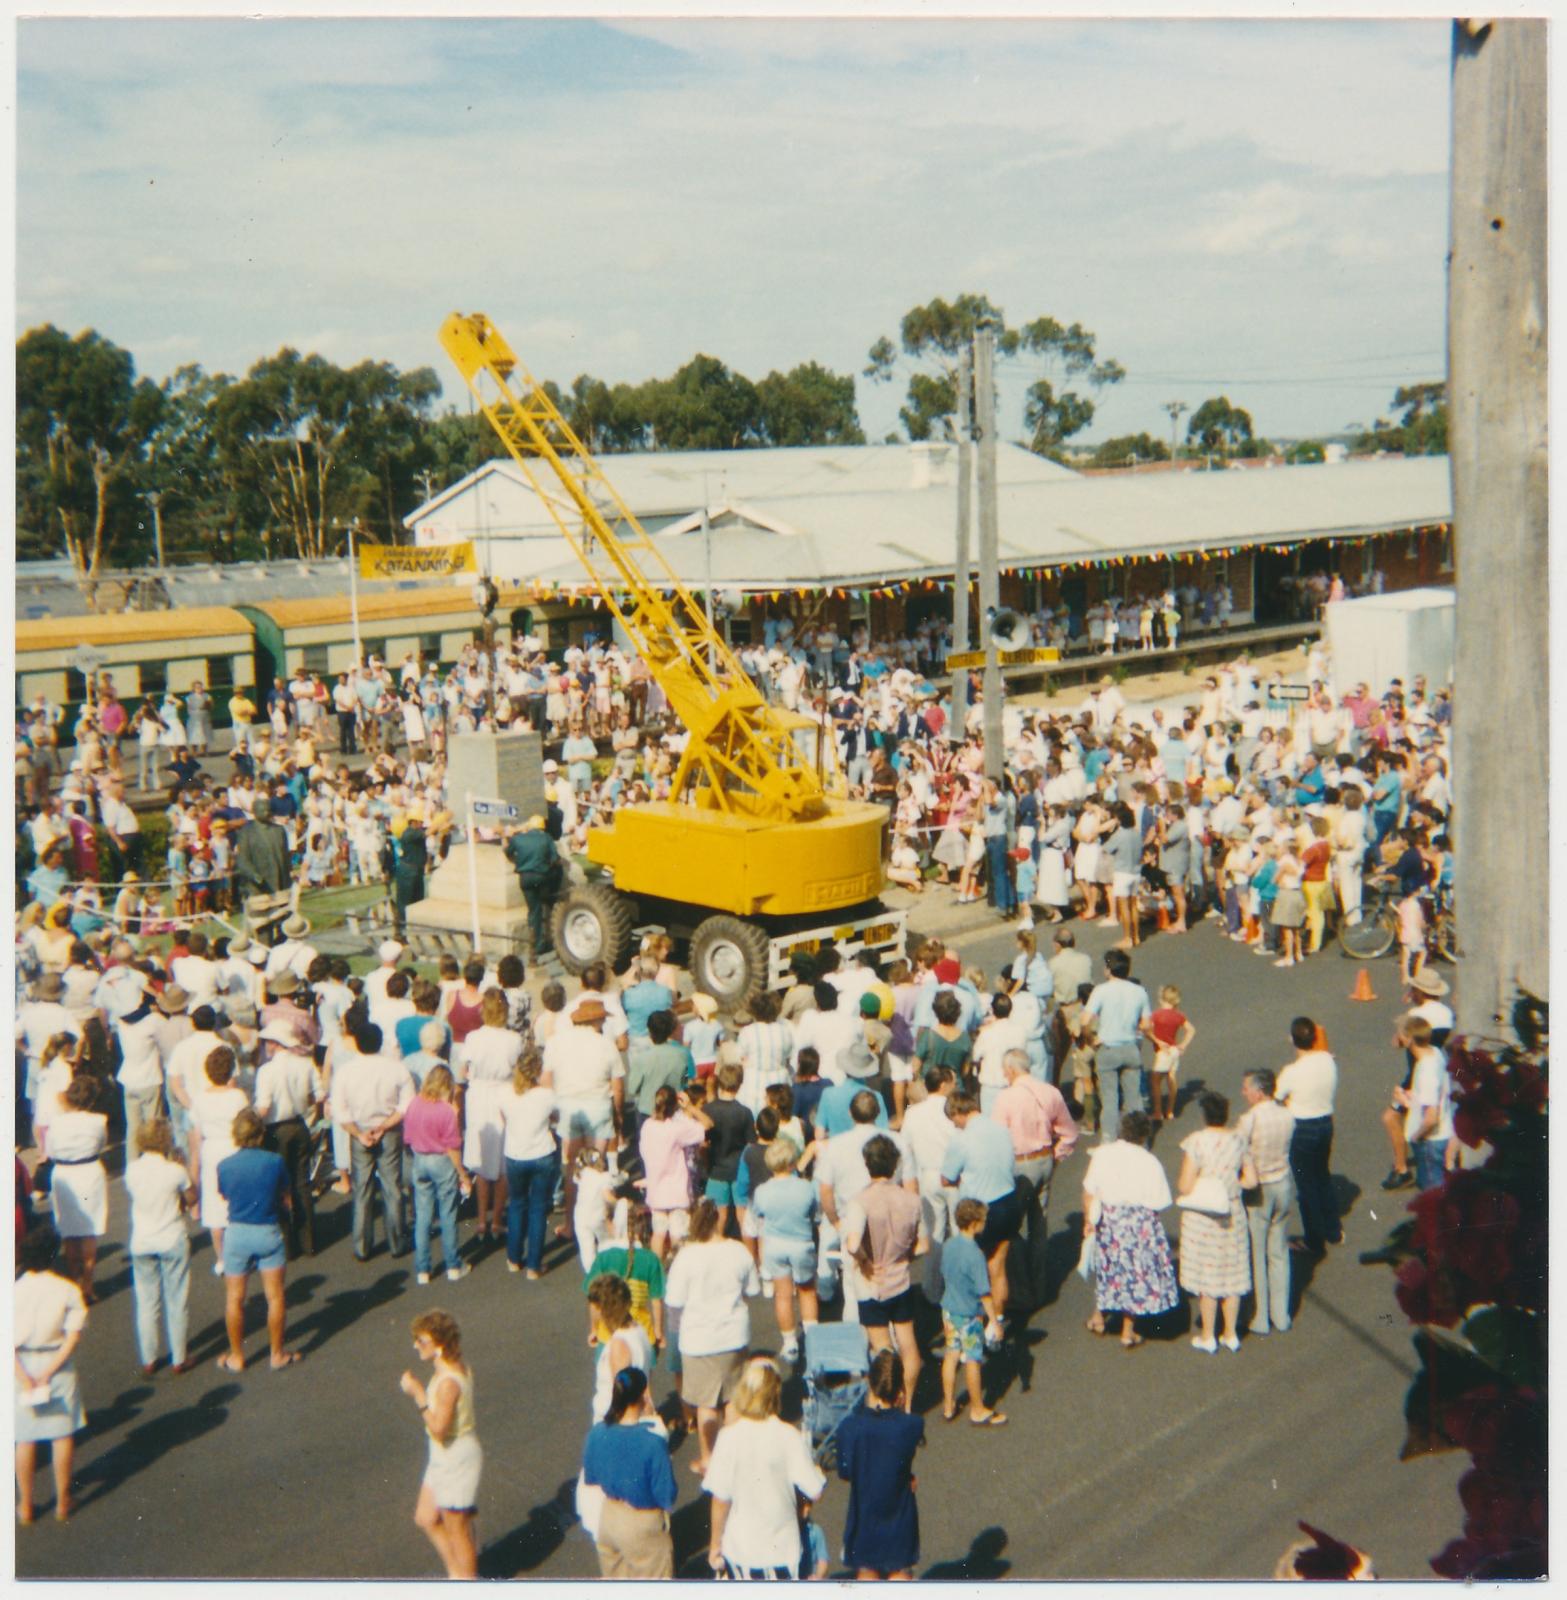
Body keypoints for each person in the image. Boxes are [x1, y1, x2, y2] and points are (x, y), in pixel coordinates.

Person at [703, 1355, 826, 1579]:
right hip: (782, 1549)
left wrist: (714, 1545)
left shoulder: (729, 1437)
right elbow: (815, 1490)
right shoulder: (788, 1435)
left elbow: (720, 1500)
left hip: (741, 1550)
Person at [665, 1197, 761, 1477]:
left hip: (698, 1339)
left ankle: (709, 1458)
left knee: (706, 1404)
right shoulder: (739, 1251)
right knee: (732, 1399)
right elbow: (752, 1290)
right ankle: (733, 1458)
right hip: (733, 1334)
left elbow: (674, 1299)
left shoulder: (687, 1256)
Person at [1081, 1110, 1179, 1349]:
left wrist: (1088, 1221)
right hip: (1139, 1222)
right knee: (1134, 1275)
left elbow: (1089, 1192)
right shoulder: (1149, 1161)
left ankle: (1099, 1317)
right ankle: (1128, 1330)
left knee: (1110, 1270)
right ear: (1144, 1135)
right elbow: (1160, 1201)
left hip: (1110, 1218)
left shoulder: (1102, 1154)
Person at [841, 1132, 924, 1408]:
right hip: (900, 1278)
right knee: (909, 1345)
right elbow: (922, 1245)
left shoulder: (860, 1201)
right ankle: (909, 1403)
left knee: (882, 1349)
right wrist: (905, 1255)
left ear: (868, 1164)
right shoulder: (911, 1200)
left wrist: (865, 1261)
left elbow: (853, 1243)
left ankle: (883, 1403)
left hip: (872, 1284)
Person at [215, 1107, 302, 1371]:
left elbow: (225, 1195)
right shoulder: (274, 1162)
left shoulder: (225, 1165)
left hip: (238, 1233)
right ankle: (276, 1354)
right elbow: (286, 1195)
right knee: (275, 1297)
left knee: (234, 1298)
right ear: (261, 1134)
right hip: (267, 1231)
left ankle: (237, 1356)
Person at [400, 1309, 482, 1580]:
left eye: (421, 1341)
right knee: (426, 1517)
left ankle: (467, 1583)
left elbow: (438, 1429)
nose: (416, 1346)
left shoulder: (448, 1383)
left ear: (440, 1344)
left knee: (457, 1529)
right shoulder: (448, 1368)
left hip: (456, 1457)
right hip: (443, 1456)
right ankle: (456, 1574)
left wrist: (418, 1394)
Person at [14, 1225, 88, 1523]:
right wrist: (49, 1371)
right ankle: (62, 1500)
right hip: (55, 1364)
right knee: (61, 1434)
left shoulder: (12, 1291)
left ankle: (26, 1504)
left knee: (24, 1438)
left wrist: (22, 1376)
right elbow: (73, 1335)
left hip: (21, 1365)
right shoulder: (67, 1289)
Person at [1177, 1092, 1256, 1354]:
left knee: (1207, 1276)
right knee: (1232, 1274)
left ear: (1204, 1115)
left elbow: (1185, 1185)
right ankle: (1231, 1333)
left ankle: (1208, 1335)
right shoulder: (1239, 1140)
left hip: (1203, 1217)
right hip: (1232, 1211)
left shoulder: (1196, 1142)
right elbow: (1251, 1180)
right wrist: (1231, 1185)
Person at [580, 1367, 678, 1578]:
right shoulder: (653, 1442)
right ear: (644, 1396)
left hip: (609, 1517)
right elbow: (666, 1495)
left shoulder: (597, 1433)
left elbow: (591, 1477)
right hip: (642, 1524)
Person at [836, 1349, 924, 1579]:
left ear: (870, 1383)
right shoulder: (912, 1425)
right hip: (899, 1513)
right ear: (900, 1390)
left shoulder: (850, 1427)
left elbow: (845, 1471)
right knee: (900, 1570)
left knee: (867, 1571)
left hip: (864, 1512)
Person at [939, 1092, 1018, 1336]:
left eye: (953, 1119)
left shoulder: (961, 1140)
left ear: (957, 1113)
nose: (954, 1125)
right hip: (1007, 1201)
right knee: (998, 1268)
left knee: (973, 1272)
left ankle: (974, 1327)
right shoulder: (1001, 1130)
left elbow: (946, 1178)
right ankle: (998, 1322)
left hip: (979, 1211)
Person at [335, 1021, 414, 1262]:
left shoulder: (346, 1071)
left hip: (360, 1132)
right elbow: (406, 1104)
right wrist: (385, 1125)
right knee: (392, 1186)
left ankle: (362, 1246)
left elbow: (340, 1110)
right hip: (388, 1130)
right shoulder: (396, 1068)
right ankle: (397, 1242)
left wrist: (359, 1133)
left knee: (362, 1190)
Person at [124, 1118, 195, 1377]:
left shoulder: (131, 1171)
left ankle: (149, 1357)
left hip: (142, 1239)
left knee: (146, 1301)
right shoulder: (175, 1171)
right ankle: (179, 1357)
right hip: (171, 1236)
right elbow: (191, 1196)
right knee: (177, 1299)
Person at [458, 990, 523, 1244]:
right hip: (504, 1093)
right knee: (503, 1159)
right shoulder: (514, 1038)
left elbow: (463, 1070)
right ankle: (497, 1219)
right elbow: (518, 1071)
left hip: (479, 1095)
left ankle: (482, 1220)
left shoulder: (474, 1037)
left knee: (483, 1158)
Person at [748, 1136, 818, 1364]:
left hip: (775, 1245)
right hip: (801, 1243)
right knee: (806, 1290)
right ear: (791, 1162)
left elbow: (758, 1214)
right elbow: (814, 1215)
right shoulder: (805, 1187)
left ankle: (789, 1343)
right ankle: (812, 1336)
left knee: (783, 1294)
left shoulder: (762, 1191)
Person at [1275, 1017, 1342, 1257]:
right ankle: (1333, 1229)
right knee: (1322, 1176)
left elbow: (1277, 1096)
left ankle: (1314, 1239)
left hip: (1301, 1128)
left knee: (1306, 1185)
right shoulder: (1327, 1061)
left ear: (1293, 1040)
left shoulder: (1291, 1072)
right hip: (1325, 1122)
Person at [1237, 1069, 1296, 1337]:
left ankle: (1260, 1317)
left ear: (1259, 1091)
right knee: (1279, 1252)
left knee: (1257, 1253)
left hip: (1259, 1188)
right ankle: (1281, 1314)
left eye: (1247, 1088)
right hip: (1283, 1183)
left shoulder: (1249, 1119)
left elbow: (1238, 1151)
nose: (1243, 1092)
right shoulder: (1287, 1114)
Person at [254, 1020, 319, 1259]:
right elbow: (317, 1095)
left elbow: (264, 1106)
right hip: (299, 1124)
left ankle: (287, 1245)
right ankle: (308, 1241)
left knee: (279, 1186)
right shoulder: (305, 1064)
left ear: (274, 1043)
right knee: (302, 1182)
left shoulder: (266, 1071)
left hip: (275, 1130)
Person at [939, 1197, 1006, 1424]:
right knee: (972, 1359)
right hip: (969, 1314)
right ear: (975, 1223)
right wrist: (994, 1321)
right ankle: (977, 1409)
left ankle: (948, 1405)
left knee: (951, 1355)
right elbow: (984, 1293)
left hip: (949, 1310)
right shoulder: (975, 1254)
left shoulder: (949, 1245)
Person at [405, 1065, 472, 1285]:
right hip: (441, 1161)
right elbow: (453, 1148)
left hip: (420, 1160)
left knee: (423, 1216)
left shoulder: (415, 1103)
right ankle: (453, 1265)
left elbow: (407, 1137)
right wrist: (462, 1174)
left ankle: (423, 1269)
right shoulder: (446, 1111)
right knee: (448, 1214)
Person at [46, 1077, 109, 1302]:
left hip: (64, 1173)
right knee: (88, 1229)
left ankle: (74, 1282)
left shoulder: (56, 1123)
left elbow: (50, 1151)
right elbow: (102, 1144)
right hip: (90, 1171)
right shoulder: (99, 1120)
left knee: (69, 1230)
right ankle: (88, 1284)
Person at [1083, 947, 1152, 1142]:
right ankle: (1140, 1141)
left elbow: (1085, 1021)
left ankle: (1109, 1141)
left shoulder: (1101, 990)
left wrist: (1091, 1040)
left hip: (1108, 1047)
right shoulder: (1139, 991)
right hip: (1130, 1046)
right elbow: (1146, 1024)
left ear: (1108, 969)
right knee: (1134, 1099)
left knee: (1110, 1100)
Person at [1394, 1016, 1453, 1191]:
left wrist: (1416, 1136)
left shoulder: (1427, 1070)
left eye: (1400, 1033)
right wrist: (1407, 1098)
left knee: (1431, 1194)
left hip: (1429, 1140)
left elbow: (1430, 1118)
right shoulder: (1434, 1052)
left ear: (1409, 1039)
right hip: (1437, 1135)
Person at [588, 1273, 655, 1423]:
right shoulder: (639, 1329)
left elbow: (620, 1394)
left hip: (614, 1422)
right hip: (637, 1416)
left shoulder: (619, 1344)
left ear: (603, 1308)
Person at [504, 815, 562, 957]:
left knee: (533, 910)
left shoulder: (518, 839)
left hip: (525, 878)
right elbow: (555, 859)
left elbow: (507, 851)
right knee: (548, 905)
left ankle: (535, 943)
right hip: (542, 878)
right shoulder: (546, 839)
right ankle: (548, 938)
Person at [1146, 985, 1194, 1124]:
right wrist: (1183, 1045)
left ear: (1162, 999)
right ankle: (1170, 1111)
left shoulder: (1156, 1015)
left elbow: (1146, 1029)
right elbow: (1191, 1030)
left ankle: (1157, 1112)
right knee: (1171, 1077)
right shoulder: (1178, 1015)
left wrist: (1156, 1040)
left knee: (1155, 1081)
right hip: (1174, 1050)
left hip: (1163, 1051)